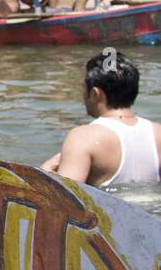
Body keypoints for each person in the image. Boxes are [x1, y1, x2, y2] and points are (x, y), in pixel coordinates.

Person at [42, 51, 160, 186]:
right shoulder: (158, 133)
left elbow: (65, 200)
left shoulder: (83, 137)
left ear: (95, 93)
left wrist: (45, 172)